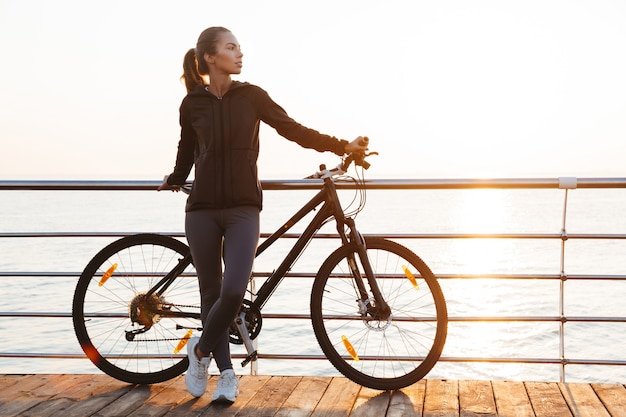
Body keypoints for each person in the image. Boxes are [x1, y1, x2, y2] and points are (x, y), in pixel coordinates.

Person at [158, 26, 368, 402]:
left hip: (242, 209)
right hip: (202, 210)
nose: (240, 54)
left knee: (234, 290)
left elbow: (293, 130)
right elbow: (186, 149)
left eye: (239, 47)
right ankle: (225, 375)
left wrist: (341, 145)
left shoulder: (251, 96)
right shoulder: (192, 103)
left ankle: (200, 352)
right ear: (210, 57)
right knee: (211, 293)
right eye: (231, 47)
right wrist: (174, 178)